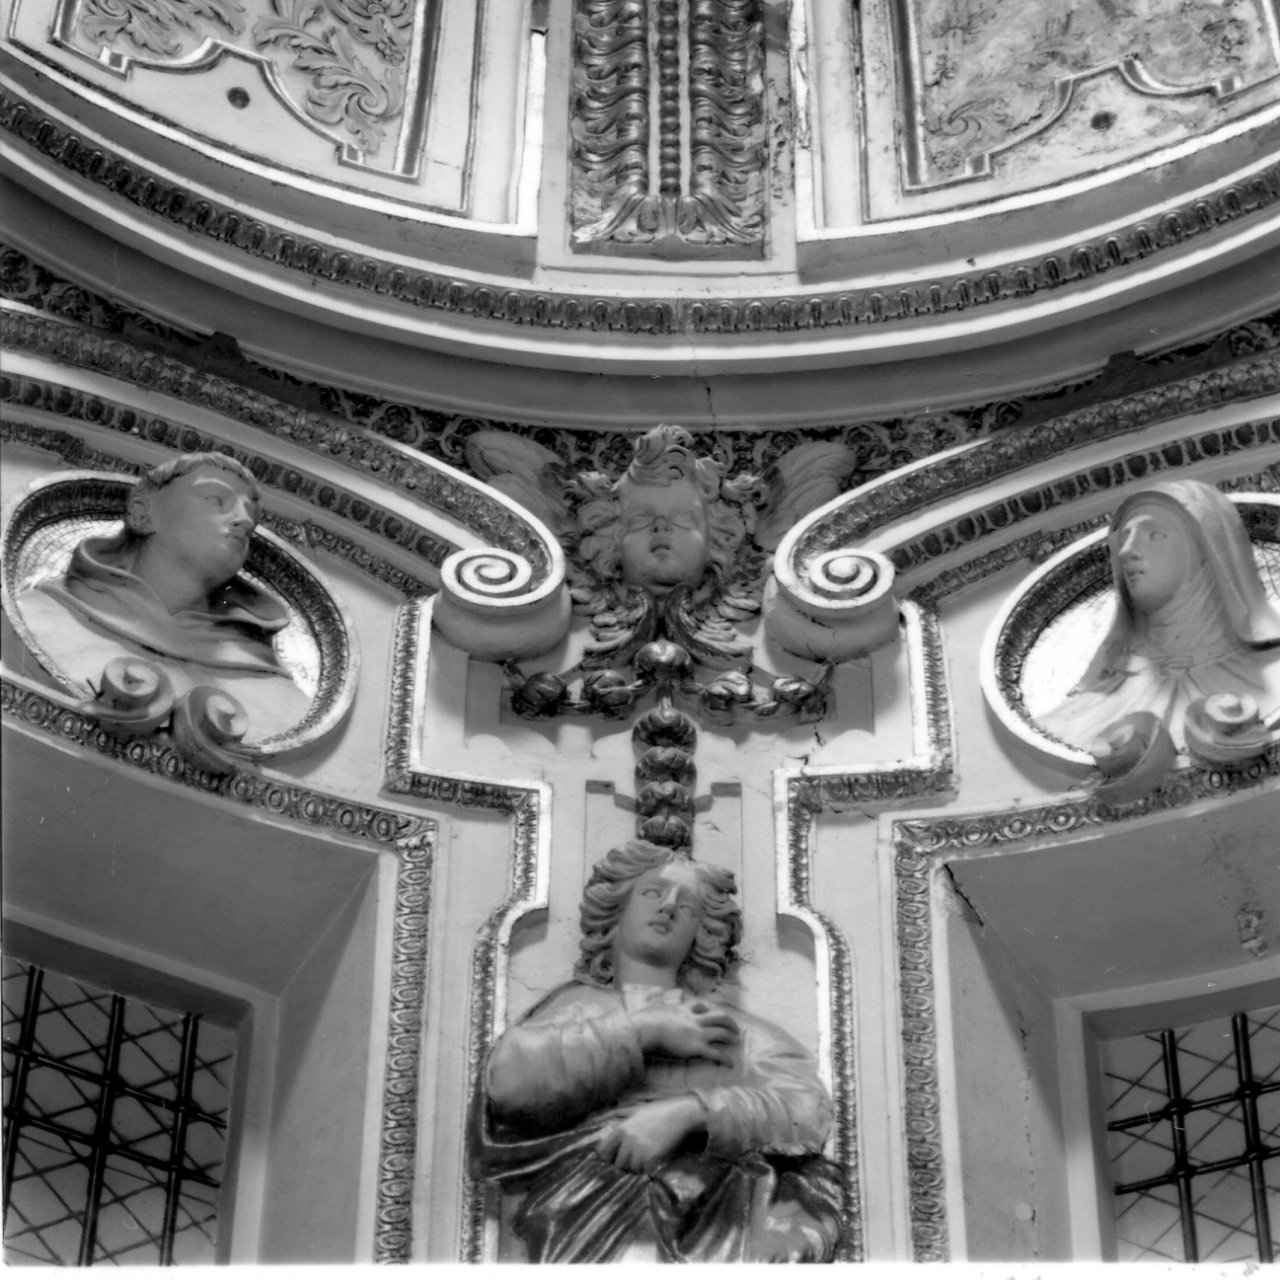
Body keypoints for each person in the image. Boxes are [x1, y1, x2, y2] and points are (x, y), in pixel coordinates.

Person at [474, 840, 843, 1264]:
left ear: (703, 932)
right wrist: (643, 1030)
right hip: (589, 1230)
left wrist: (691, 1112)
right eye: (653, 893)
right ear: (616, 909)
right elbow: (508, 1083)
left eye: (687, 907)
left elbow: (806, 1108)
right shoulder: (574, 1010)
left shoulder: (732, 1032)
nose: (668, 907)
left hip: (712, 1227)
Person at [20, 453, 309, 734]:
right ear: (142, 514)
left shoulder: (278, 694)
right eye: (215, 499)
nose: (244, 521)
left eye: (251, 516)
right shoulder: (39, 615)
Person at [1040, 479, 1280, 752]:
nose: (1126, 551)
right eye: (1124, 537)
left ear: (1205, 549)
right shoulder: (1076, 717)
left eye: (1154, 534)